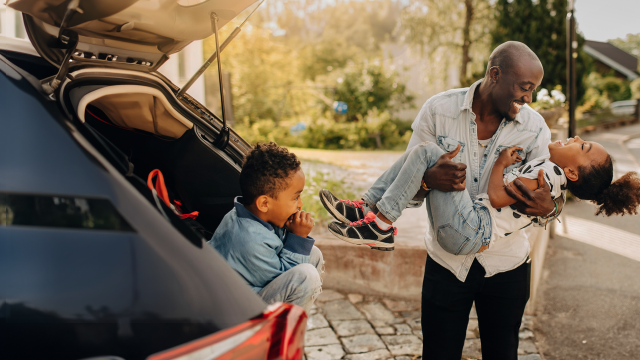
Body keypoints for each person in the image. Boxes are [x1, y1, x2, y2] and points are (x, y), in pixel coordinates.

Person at [324, 40, 564, 359]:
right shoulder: (439, 110)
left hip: (507, 265)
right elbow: (409, 179)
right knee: (438, 353)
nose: (528, 97)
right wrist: (428, 179)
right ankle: (369, 213)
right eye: (525, 87)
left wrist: (551, 208)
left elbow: (550, 191)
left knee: (503, 353)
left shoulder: (535, 128)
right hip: (447, 263)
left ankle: (371, 214)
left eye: (533, 90)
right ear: (495, 74)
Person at [322, 137, 640, 253]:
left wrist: (501, 162)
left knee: (426, 152)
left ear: (572, 173)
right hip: (469, 224)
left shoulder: (546, 178)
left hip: (472, 230)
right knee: (423, 151)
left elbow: (500, 198)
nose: (576, 137)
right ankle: (366, 209)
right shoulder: (549, 169)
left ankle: (380, 224)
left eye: (582, 146)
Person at [208, 142, 323, 311]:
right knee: (306, 276)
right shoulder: (249, 241)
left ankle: (298, 318)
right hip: (236, 310)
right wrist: (297, 238)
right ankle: (282, 334)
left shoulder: (248, 214)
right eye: (295, 198)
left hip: (250, 289)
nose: (300, 204)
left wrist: (290, 230)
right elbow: (282, 278)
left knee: (313, 254)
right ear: (264, 203)